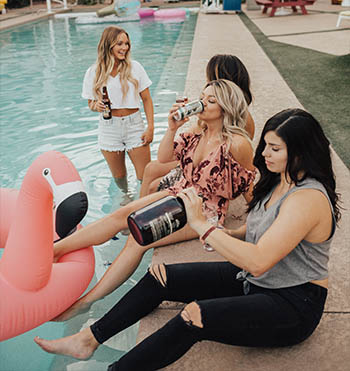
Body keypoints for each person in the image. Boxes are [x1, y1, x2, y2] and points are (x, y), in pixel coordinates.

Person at [34, 108, 341, 371]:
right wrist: (234, 233)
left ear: (300, 152)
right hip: (258, 282)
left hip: (293, 301)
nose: (264, 154)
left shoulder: (308, 198)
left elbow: (258, 261)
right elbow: (270, 226)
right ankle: (89, 339)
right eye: (266, 145)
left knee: (194, 315)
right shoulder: (278, 180)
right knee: (161, 276)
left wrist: (203, 226)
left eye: (275, 149)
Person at [51, 79, 256, 321]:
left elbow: (249, 188)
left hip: (203, 209)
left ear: (226, 107)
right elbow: (164, 156)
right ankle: (53, 251)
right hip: (179, 190)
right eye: (202, 97)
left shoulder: (237, 144)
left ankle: (86, 301)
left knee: (139, 239)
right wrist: (172, 128)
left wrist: (250, 228)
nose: (202, 103)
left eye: (211, 100)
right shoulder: (196, 131)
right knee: (122, 215)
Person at [140, 54, 255, 198]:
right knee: (151, 168)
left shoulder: (236, 121)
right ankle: (138, 209)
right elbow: (189, 141)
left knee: (153, 182)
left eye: (210, 77)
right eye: (203, 98)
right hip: (199, 163)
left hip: (208, 172)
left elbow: (240, 170)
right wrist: (174, 128)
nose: (207, 81)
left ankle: (140, 209)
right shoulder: (213, 116)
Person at [82, 26, 154, 204]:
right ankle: (126, 199)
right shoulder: (93, 72)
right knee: (119, 175)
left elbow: (146, 99)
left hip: (134, 125)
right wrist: (96, 105)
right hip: (109, 128)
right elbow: (90, 103)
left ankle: (145, 204)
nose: (125, 48)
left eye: (127, 43)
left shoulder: (135, 67)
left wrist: (150, 127)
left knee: (144, 175)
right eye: (120, 44)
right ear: (108, 45)